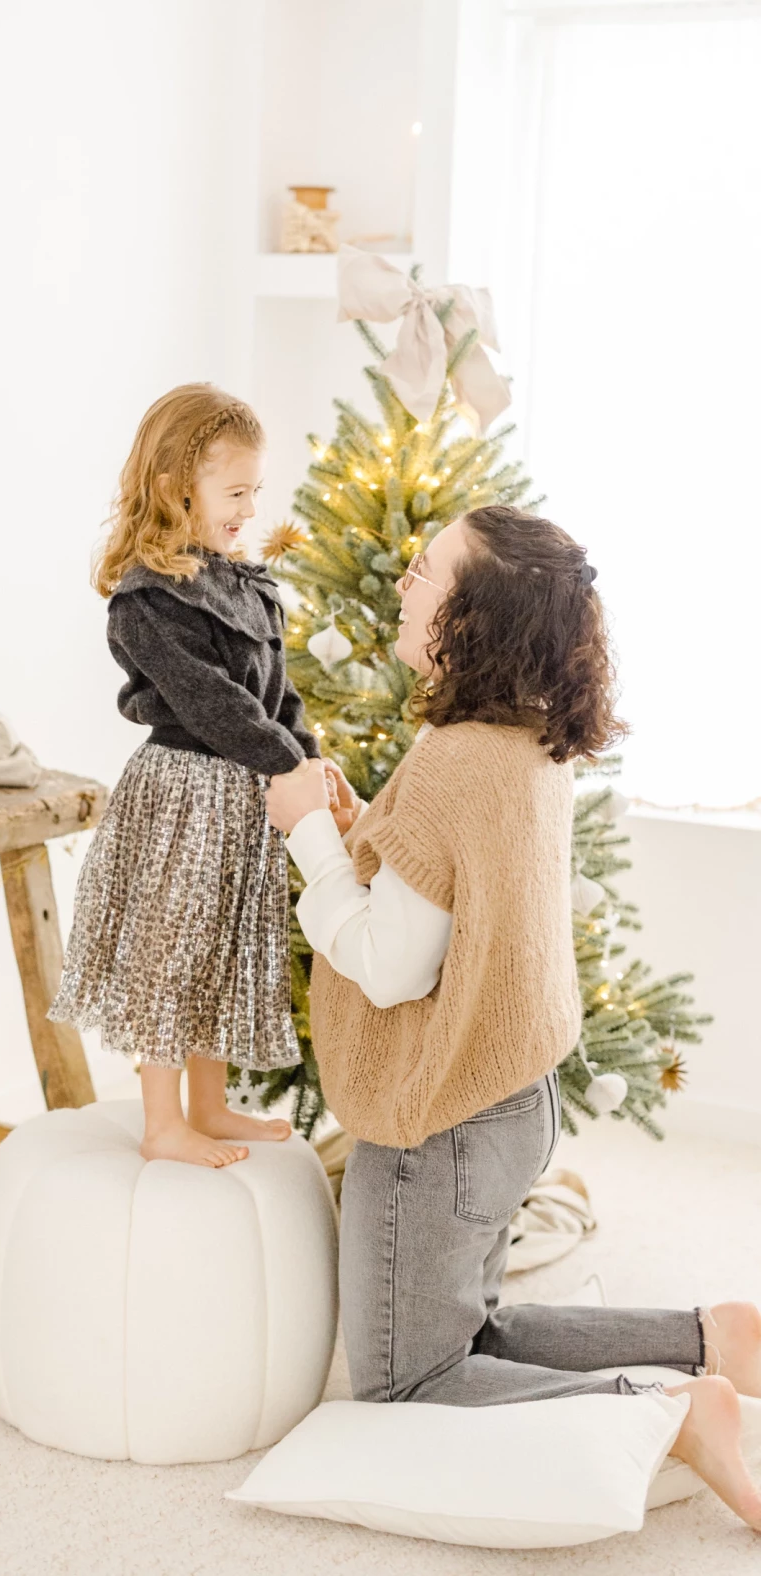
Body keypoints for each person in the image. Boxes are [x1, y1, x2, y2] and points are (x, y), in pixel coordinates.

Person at [266, 504, 761, 1530]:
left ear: (473, 613)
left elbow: (390, 966)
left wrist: (311, 836)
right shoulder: (523, 740)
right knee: (471, 1332)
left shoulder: (457, 758)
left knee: (411, 1383)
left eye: (425, 570)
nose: (404, 582)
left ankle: (675, 1412)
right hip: (509, 1100)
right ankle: (714, 1339)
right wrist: (369, 830)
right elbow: (459, 892)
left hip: (441, 1123)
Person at [48, 382, 350, 1168]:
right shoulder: (145, 601)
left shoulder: (249, 587)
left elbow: (278, 697)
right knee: (172, 950)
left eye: (256, 491)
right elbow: (212, 704)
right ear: (174, 487)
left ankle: (208, 1105)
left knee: (219, 947)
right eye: (237, 492)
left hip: (246, 793)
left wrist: (311, 760)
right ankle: (162, 1121)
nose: (251, 509)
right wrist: (289, 765)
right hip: (184, 792)